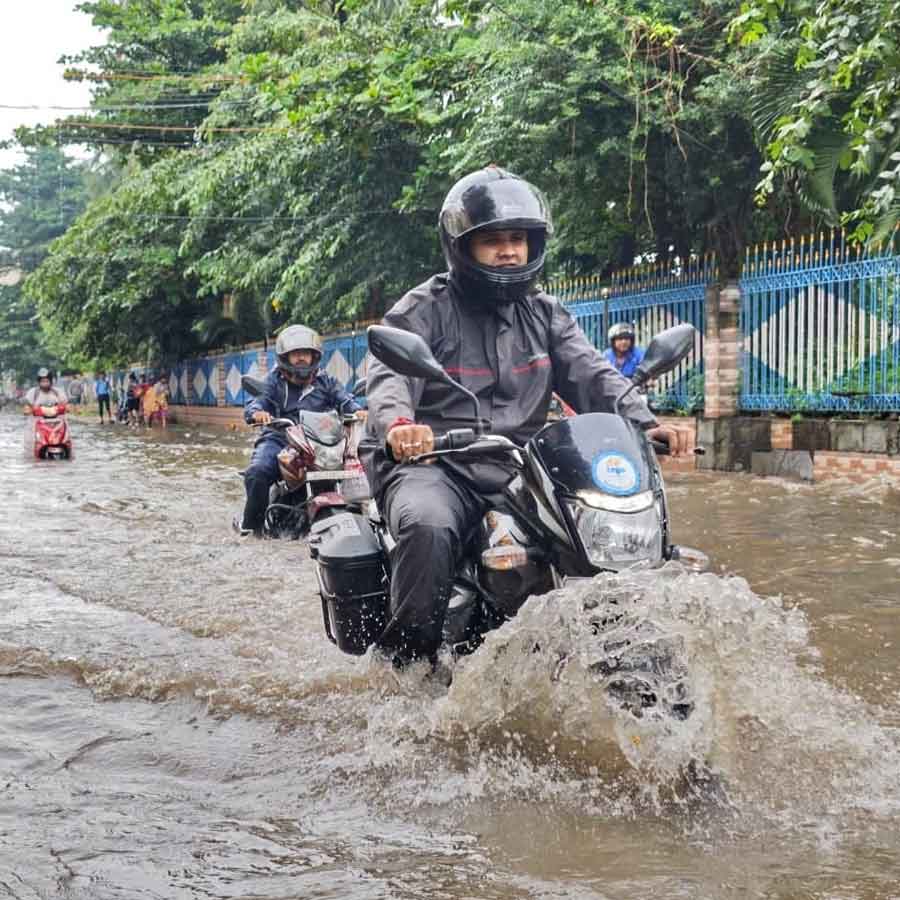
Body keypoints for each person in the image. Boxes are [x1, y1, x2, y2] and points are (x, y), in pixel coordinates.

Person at [361, 165, 691, 667]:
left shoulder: (546, 313)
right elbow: (389, 373)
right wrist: (401, 426)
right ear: (462, 246)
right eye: (493, 240)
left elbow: (591, 373)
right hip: (437, 464)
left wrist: (646, 423)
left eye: (517, 238)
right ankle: (411, 663)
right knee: (427, 527)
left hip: (519, 464)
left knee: (601, 524)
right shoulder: (424, 308)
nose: (509, 251)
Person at [237, 324, 363, 536]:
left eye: (306, 354)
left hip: (319, 443)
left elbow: (346, 400)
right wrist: (258, 413)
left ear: (314, 356)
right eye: (297, 355)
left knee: (359, 467)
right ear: (285, 358)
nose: (302, 359)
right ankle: (250, 529)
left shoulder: (326, 381)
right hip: (280, 439)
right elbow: (256, 402)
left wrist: (359, 411)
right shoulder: (274, 381)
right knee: (257, 472)